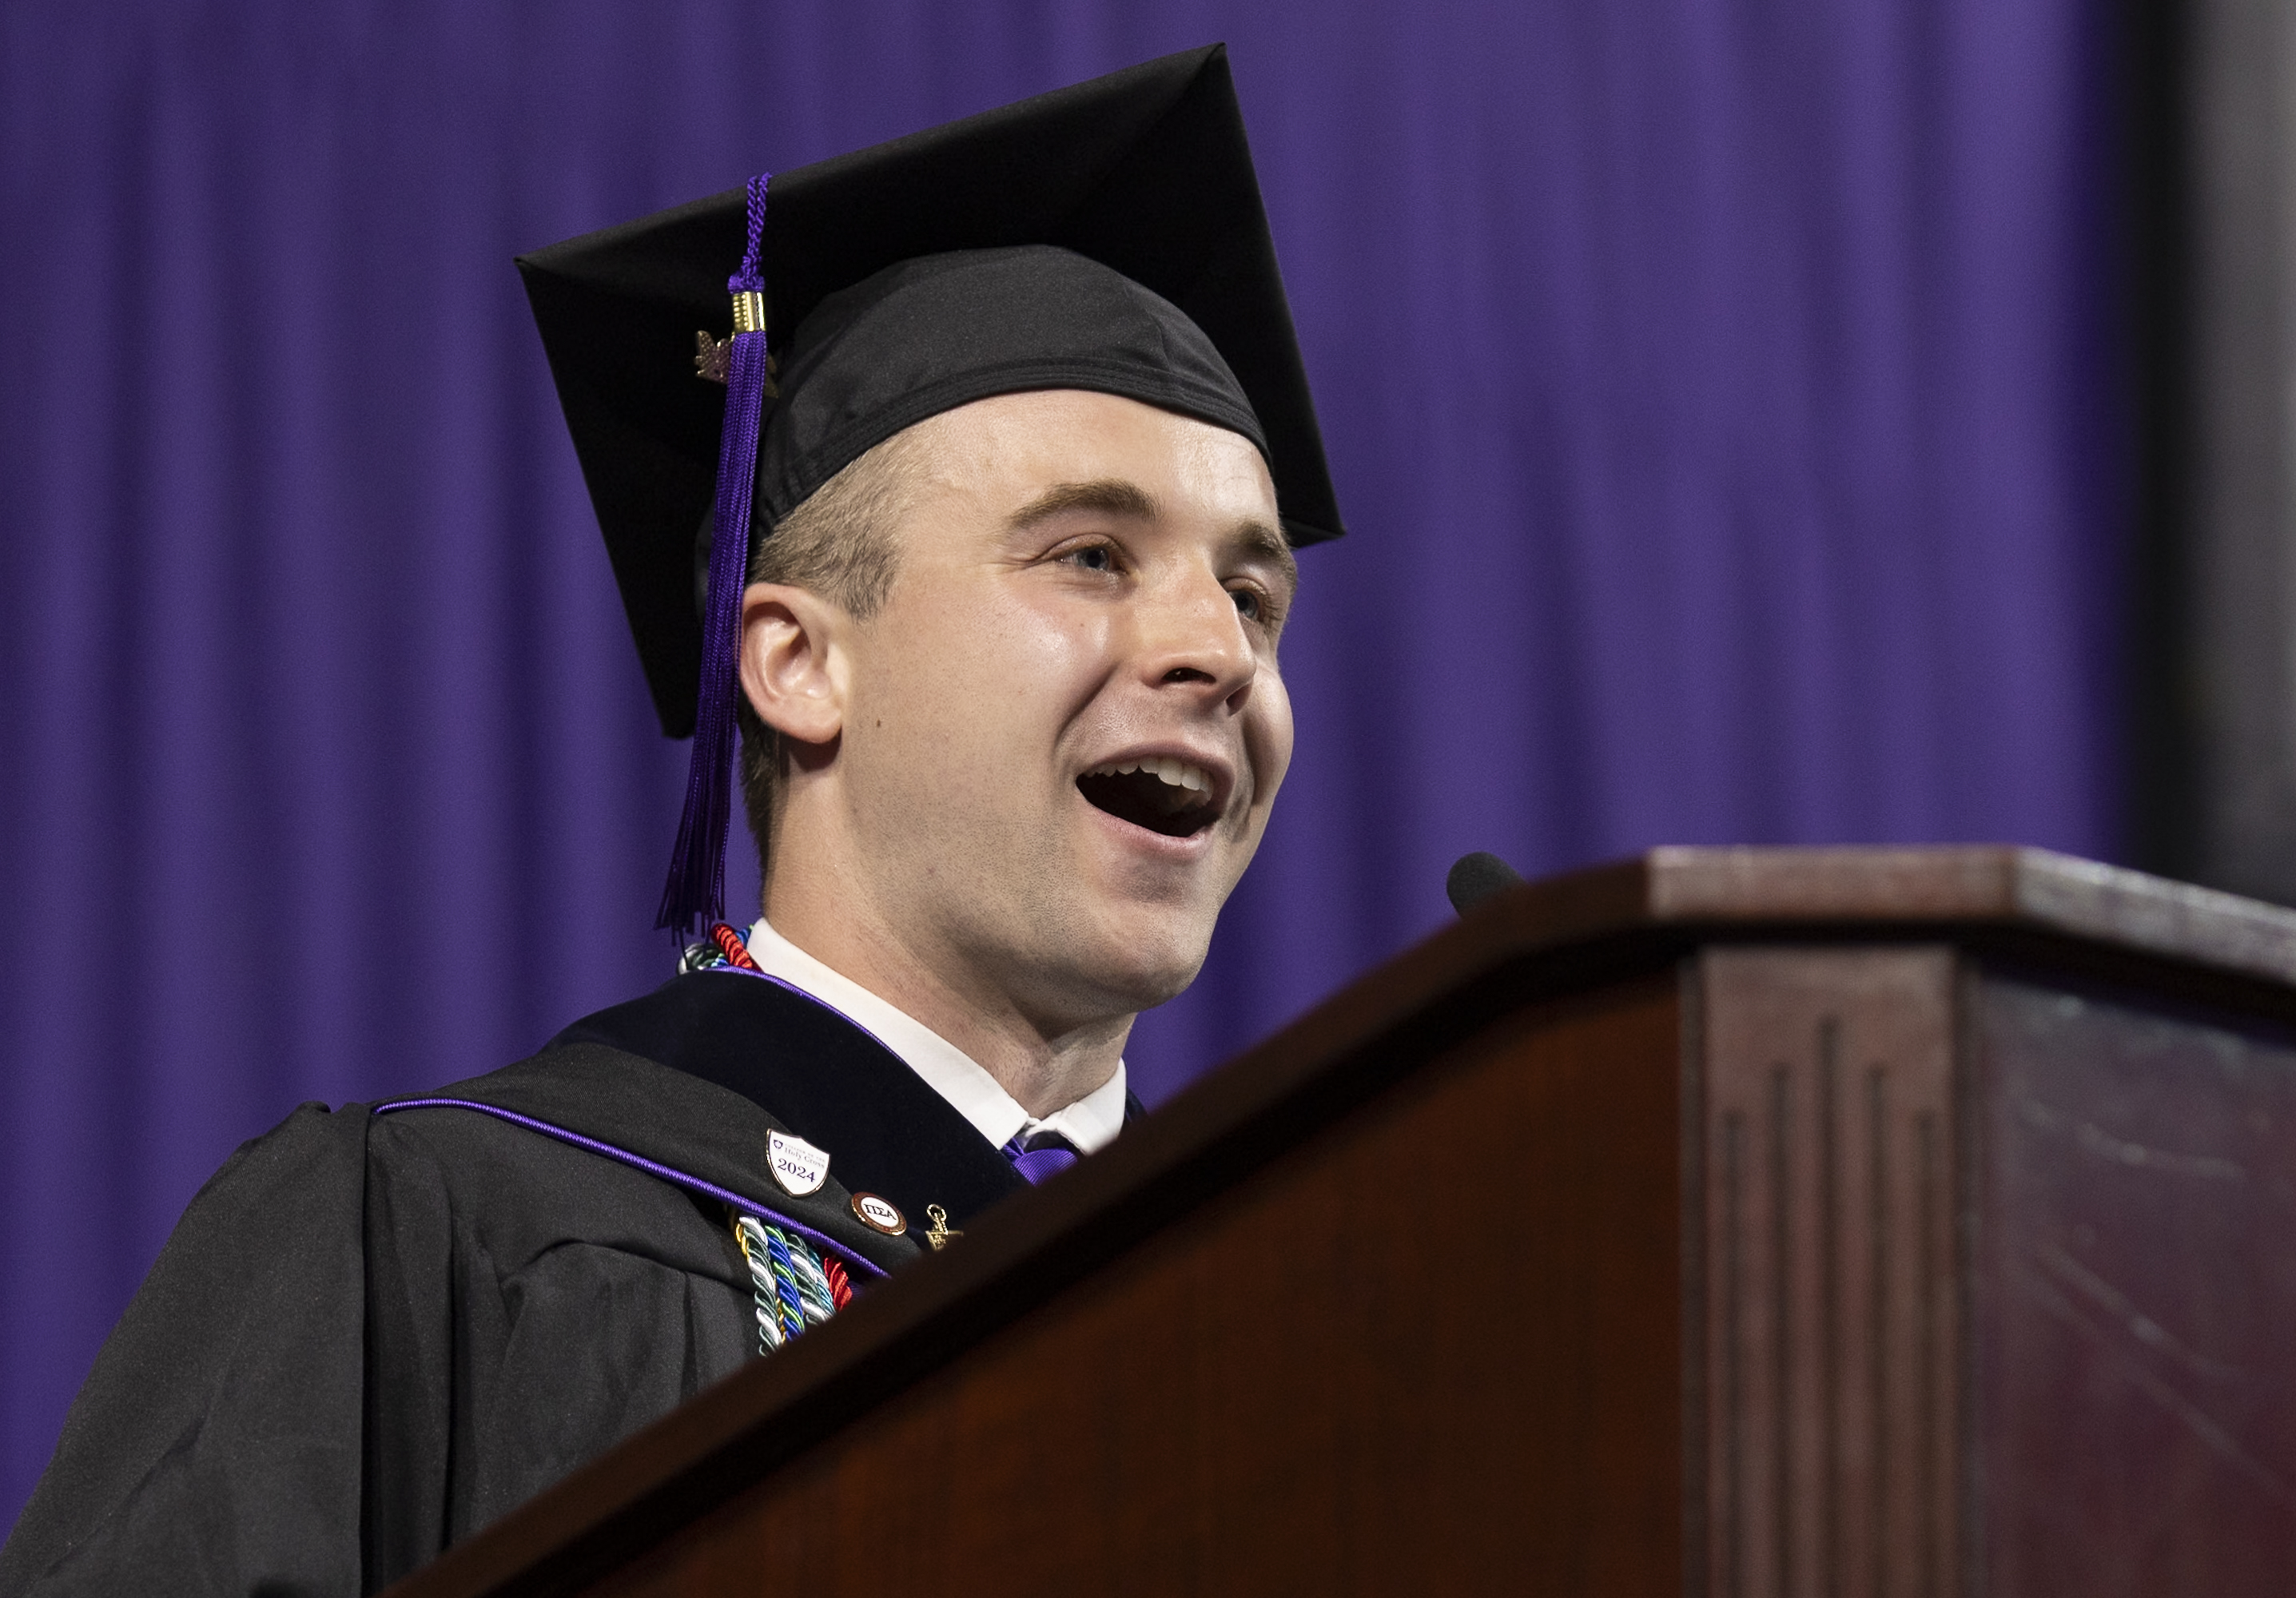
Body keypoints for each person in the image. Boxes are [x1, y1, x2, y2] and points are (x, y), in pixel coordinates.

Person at [0, 44, 1341, 1597]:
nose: (1220, 650)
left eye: (1255, 592)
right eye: (1092, 556)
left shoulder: (1312, 1347)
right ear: (796, 662)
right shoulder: (449, 1246)